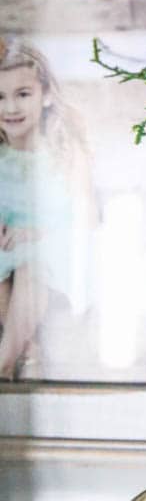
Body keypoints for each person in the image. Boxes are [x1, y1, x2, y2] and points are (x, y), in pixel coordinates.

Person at [0, 38, 95, 380]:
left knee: (30, 268)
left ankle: (4, 366)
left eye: (22, 94)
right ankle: (23, 352)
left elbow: (86, 218)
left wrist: (36, 232)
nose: (10, 107)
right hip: (6, 257)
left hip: (55, 252)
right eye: (0, 97)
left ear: (46, 96)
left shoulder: (63, 154)